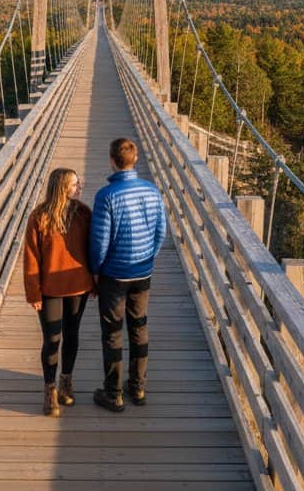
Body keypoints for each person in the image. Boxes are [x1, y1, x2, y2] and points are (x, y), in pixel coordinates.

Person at [89, 137, 167, 412]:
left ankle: (114, 393)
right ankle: (138, 387)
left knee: (112, 332)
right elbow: (161, 233)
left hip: (114, 274)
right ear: (137, 159)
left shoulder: (106, 196)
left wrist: (96, 271)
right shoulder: (152, 191)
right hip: (142, 271)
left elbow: (99, 242)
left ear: (112, 160)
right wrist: (147, 258)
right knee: (139, 326)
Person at [22, 167, 93, 417]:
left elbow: (92, 248)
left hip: (79, 285)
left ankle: (66, 381)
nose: (79, 187)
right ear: (62, 187)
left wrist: (94, 281)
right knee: (52, 339)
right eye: (74, 184)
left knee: (72, 335)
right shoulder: (39, 217)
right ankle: (49, 388)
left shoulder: (83, 213)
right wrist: (33, 293)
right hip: (50, 288)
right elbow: (31, 257)